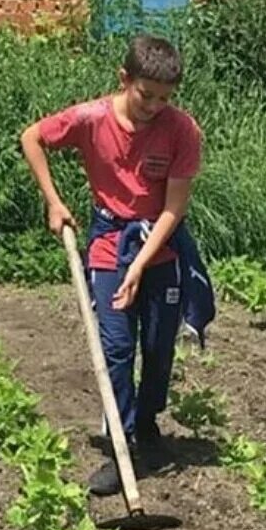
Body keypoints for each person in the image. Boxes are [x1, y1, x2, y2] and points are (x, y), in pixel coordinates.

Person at [20, 35, 214, 497]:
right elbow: (32, 137)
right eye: (146, 95)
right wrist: (53, 202)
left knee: (159, 345)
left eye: (165, 98)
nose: (154, 106)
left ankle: (147, 421)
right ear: (125, 80)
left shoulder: (182, 130)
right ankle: (118, 444)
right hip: (109, 242)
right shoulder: (90, 119)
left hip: (161, 246)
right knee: (117, 347)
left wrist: (141, 266)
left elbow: (173, 210)